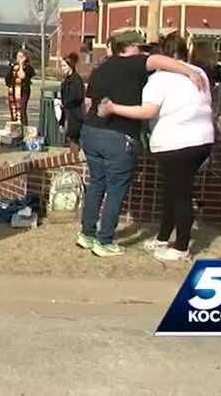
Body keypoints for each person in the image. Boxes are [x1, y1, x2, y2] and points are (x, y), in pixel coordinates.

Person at [77, 32, 208, 257]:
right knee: (116, 189)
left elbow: (88, 102)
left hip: (91, 131)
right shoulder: (135, 63)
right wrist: (189, 71)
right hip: (118, 135)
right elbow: (161, 60)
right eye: (140, 46)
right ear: (130, 46)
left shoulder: (99, 70)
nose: (144, 51)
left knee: (97, 184)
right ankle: (104, 241)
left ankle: (87, 234)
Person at [59, 53, 85, 153]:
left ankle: (75, 158)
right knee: (69, 137)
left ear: (70, 66)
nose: (62, 68)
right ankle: (73, 156)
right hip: (67, 112)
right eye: (62, 66)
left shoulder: (76, 80)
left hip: (74, 114)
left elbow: (78, 97)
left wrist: (66, 103)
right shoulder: (66, 80)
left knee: (73, 138)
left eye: (64, 66)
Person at [5, 49, 36, 127]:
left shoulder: (28, 68)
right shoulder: (13, 66)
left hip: (23, 91)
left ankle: (23, 129)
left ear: (25, 57)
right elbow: (8, 79)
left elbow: (22, 76)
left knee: (21, 110)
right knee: (13, 110)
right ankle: (15, 129)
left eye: (21, 56)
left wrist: (21, 65)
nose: (18, 58)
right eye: (18, 56)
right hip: (13, 91)